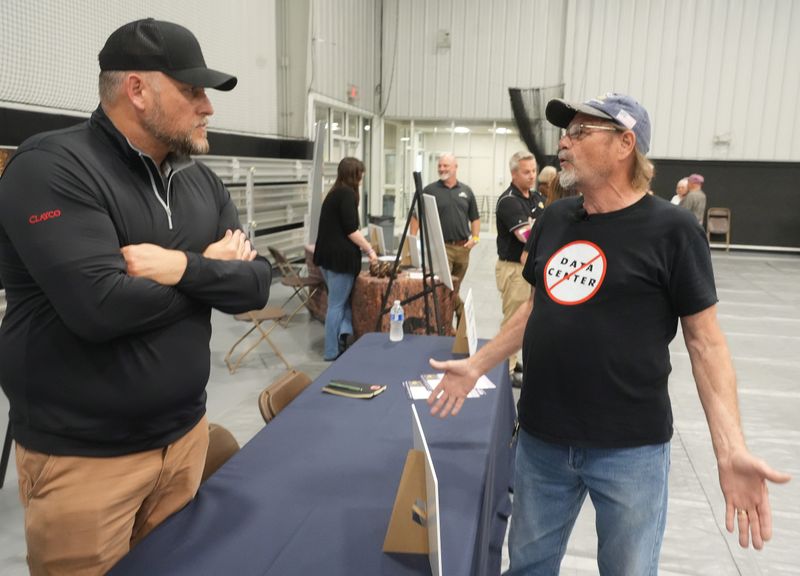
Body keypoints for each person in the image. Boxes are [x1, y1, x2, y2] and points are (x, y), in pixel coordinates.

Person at [426, 93, 790, 574]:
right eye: (566, 132)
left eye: (580, 132)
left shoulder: (673, 230)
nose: (563, 142)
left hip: (630, 450)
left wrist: (730, 450)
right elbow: (535, 309)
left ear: (625, 144)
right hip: (542, 442)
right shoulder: (556, 219)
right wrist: (477, 364)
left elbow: (706, 344)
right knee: (528, 566)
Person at [0, 18, 271, 575]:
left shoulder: (201, 181)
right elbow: (99, 309)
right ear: (138, 90)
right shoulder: (53, 167)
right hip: (86, 463)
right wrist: (207, 275)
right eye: (192, 90)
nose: (207, 107)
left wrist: (175, 267)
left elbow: (254, 287)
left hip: (185, 442)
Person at [314, 157, 378, 361]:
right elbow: (351, 230)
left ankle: (344, 336)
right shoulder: (346, 195)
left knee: (342, 303)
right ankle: (331, 351)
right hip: (339, 262)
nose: (362, 178)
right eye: (360, 173)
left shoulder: (334, 193)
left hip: (328, 259)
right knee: (336, 305)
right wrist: (369, 249)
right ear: (354, 174)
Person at [411, 153, 480, 324]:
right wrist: (412, 240)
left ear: (455, 167)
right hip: (441, 248)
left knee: (453, 289)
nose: (441, 169)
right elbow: (416, 216)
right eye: (440, 165)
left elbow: (475, 218)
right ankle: (461, 316)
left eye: (445, 166)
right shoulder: (429, 190)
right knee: (446, 286)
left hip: (463, 248)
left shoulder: (466, 191)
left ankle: (449, 324)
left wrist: (475, 238)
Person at [495, 151, 544, 387]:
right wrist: (537, 230)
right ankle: (507, 367)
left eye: (534, 170)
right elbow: (525, 234)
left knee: (528, 318)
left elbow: (542, 226)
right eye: (526, 172)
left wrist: (537, 228)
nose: (532, 176)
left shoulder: (535, 198)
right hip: (514, 269)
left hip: (530, 269)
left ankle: (514, 359)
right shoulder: (509, 201)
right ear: (514, 174)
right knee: (514, 318)